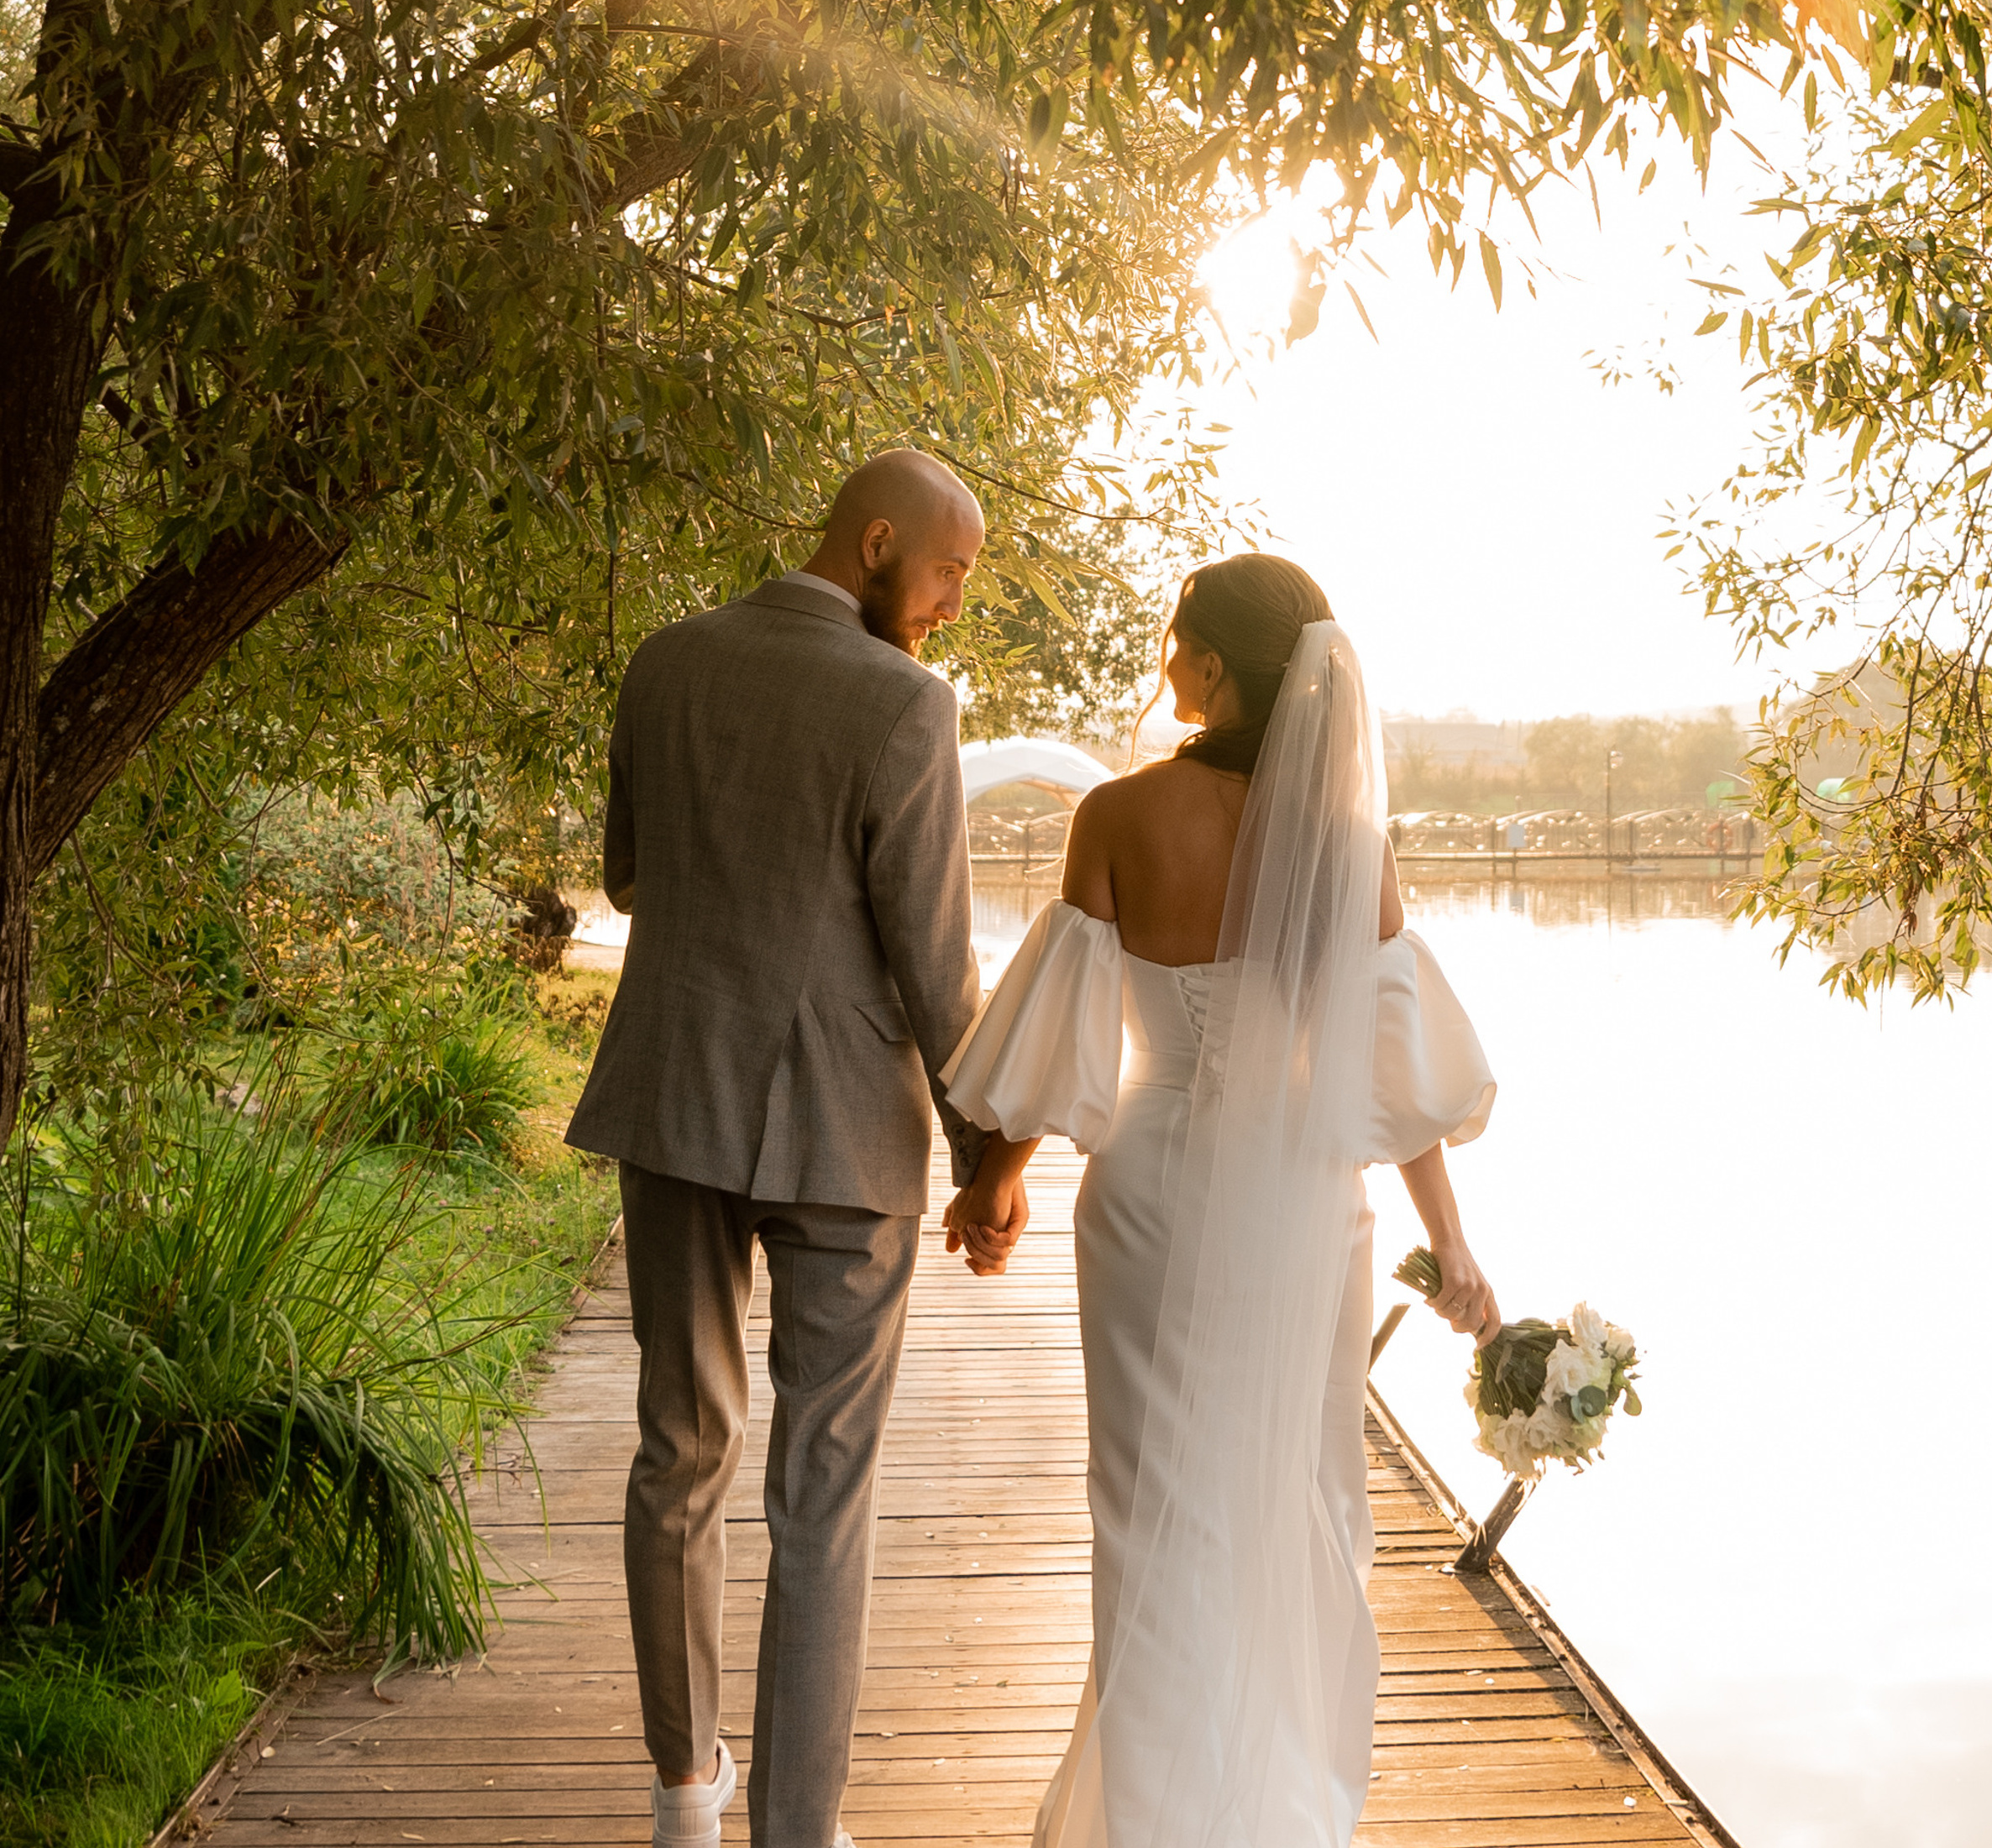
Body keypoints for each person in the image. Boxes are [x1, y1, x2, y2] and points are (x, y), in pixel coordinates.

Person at [940, 554, 1501, 1848]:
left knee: (1149, 1503)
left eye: (1176, 635)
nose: (1163, 654)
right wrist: (1452, 1242)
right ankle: (1272, 1803)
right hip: (1306, 1205)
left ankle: (1152, 1813)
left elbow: (1060, 1044)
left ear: (1217, 668)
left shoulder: (1120, 819)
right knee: (1296, 1489)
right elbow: (1393, 1077)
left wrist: (994, 1185)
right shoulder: (1348, 850)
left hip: (1152, 1191)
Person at [565, 449, 1009, 1848]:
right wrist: (991, 1151)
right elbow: (938, 963)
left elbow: (631, 873)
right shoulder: (904, 704)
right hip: (839, 1135)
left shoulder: (665, 663)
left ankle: (686, 1790)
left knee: (674, 1451)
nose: (950, 605)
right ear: (878, 544)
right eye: (947, 572)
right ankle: (799, 1832)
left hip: (676, 1100)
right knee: (820, 1494)